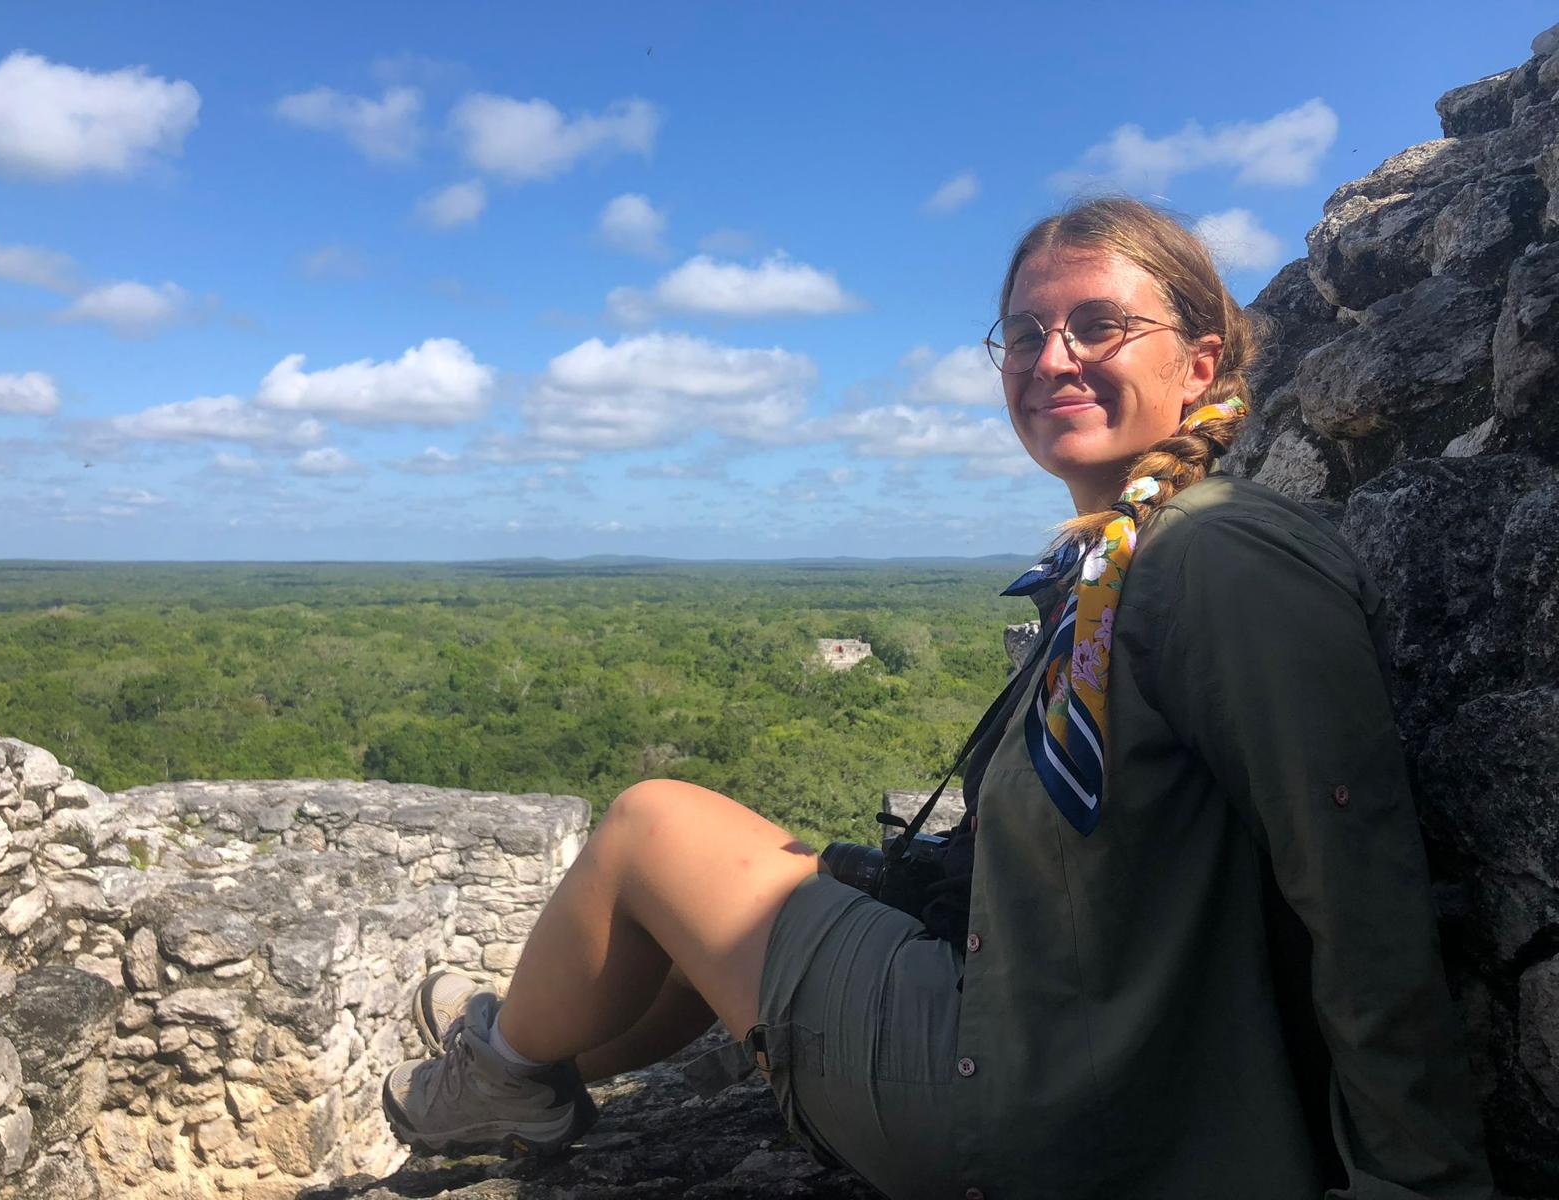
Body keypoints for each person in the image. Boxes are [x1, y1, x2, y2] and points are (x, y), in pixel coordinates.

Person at [378, 198, 1496, 1199]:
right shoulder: (1128, 559)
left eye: (1098, 325)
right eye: (1024, 333)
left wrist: (1419, 1178)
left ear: (1198, 365)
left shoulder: (1219, 556)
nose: (1052, 357)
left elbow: (1358, 882)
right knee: (733, 902)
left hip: (1032, 1109)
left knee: (648, 825)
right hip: (1068, 1064)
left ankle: (495, 1071)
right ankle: (512, 1067)